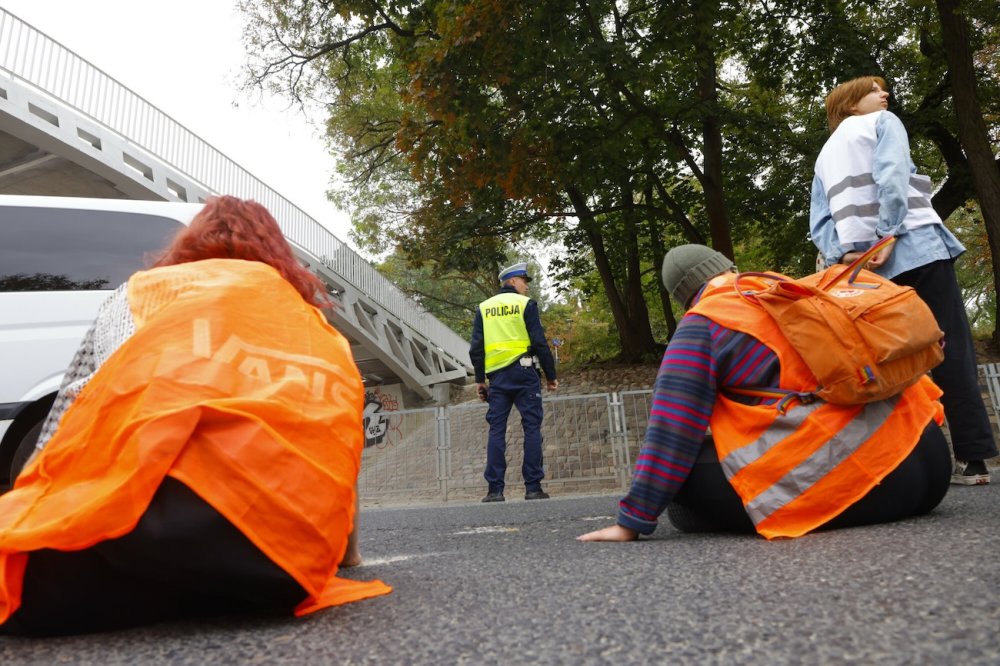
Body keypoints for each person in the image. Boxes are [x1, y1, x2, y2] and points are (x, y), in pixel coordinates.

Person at [0, 196, 389, 636]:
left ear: (189, 244)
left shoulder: (145, 293)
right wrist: (344, 557)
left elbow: (75, 404)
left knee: (18, 577)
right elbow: (341, 442)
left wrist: (31, 504)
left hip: (153, 535)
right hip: (288, 570)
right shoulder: (316, 327)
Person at [579, 244, 951, 543]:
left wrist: (632, 521)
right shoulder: (790, 291)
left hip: (872, 487)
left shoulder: (705, 323)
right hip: (931, 461)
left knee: (683, 482)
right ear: (728, 268)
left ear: (685, 296)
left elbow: (672, 430)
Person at [809, 75, 997, 485]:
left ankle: (901, 463)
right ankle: (974, 459)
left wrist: (847, 254)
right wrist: (888, 234)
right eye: (874, 90)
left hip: (868, 276)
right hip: (915, 249)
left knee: (889, 363)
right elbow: (892, 174)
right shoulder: (882, 123)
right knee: (951, 348)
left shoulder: (823, 157)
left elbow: (820, 222)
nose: (885, 94)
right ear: (851, 105)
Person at [469, 262, 558, 502]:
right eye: (524, 282)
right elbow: (539, 342)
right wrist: (551, 375)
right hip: (524, 372)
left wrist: (480, 380)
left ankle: (495, 491)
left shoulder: (484, 308)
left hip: (497, 378)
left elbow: (476, 348)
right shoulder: (525, 305)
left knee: (496, 430)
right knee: (531, 427)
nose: (526, 287)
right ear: (513, 281)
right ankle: (533, 487)